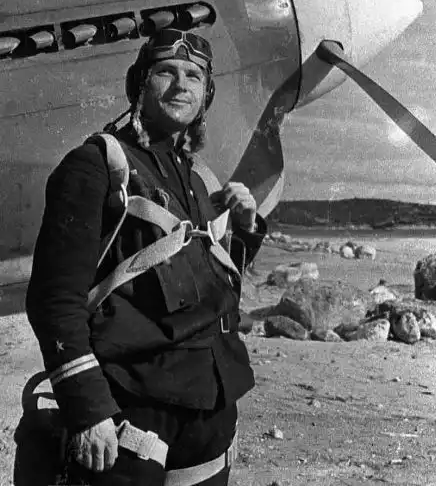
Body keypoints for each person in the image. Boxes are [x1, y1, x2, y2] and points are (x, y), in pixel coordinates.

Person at [26, 28, 266, 486]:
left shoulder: (198, 177)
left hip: (211, 407)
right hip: (132, 410)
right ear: (139, 83)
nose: (181, 86)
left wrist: (247, 227)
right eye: (166, 72)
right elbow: (54, 298)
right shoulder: (96, 164)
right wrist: (87, 408)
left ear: (206, 94)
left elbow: (209, 281)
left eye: (194, 76)